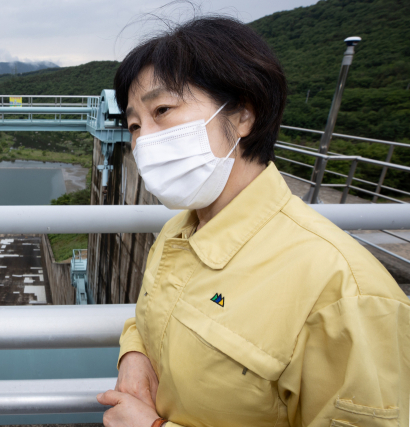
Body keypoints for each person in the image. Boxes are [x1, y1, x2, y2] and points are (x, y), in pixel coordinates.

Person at [96, 16, 409, 427]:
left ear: (244, 114)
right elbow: (153, 314)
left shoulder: (344, 292)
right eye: (135, 125)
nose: (144, 141)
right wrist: (135, 354)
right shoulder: (180, 229)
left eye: (163, 110)